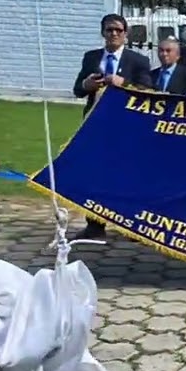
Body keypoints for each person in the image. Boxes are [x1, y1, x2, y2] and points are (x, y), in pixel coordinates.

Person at [71, 13, 152, 238]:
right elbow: (77, 89)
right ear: (103, 33)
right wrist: (86, 84)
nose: (113, 34)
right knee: (94, 174)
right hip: (94, 125)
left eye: (118, 30)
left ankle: (132, 226)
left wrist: (123, 83)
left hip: (125, 126)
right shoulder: (91, 58)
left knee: (127, 175)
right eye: (109, 30)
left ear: (125, 34)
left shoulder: (138, 61)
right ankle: (95, 225)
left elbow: (149, 92)